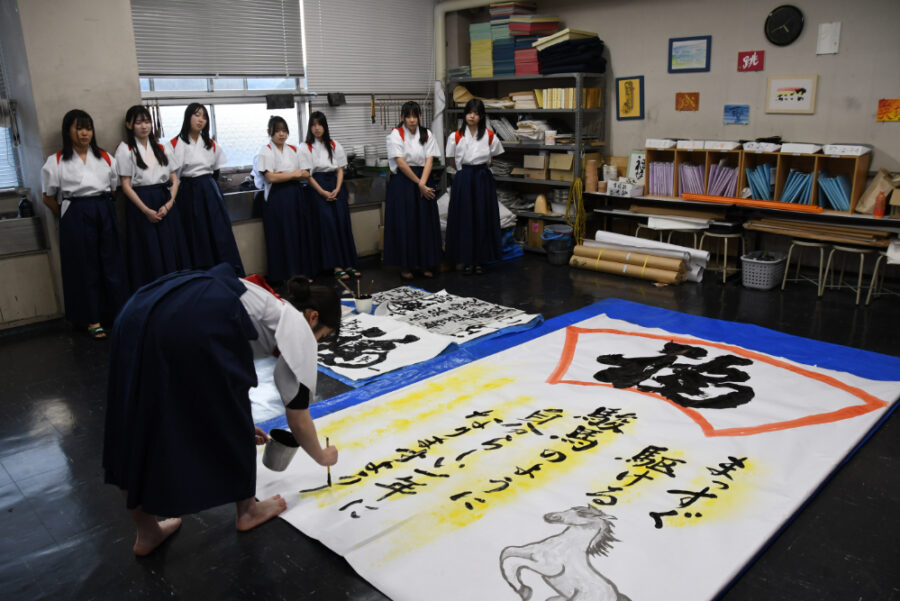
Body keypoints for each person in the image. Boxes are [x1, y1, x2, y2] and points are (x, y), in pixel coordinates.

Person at [103, 263, 341, 556]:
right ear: (313, 317)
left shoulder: (268, 302)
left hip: (141, 308)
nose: (317, 343)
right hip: (189, 323)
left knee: (133, 417)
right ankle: (248, 511)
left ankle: (147, 532)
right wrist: (322, 456)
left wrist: (238, 424)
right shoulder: (298, 328)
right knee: (234, 412)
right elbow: (298, 417)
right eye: (322, 336)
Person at [41, 109, 128, 339]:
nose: (84, 133)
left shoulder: (105, 157)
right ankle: (92, 319)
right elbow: (48, 197)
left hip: (103, 208)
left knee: (111, 262)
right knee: (84, 266)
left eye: (88, 128)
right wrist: (67, 215)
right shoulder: (56, 161)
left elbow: (114, 188)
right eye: (78, 128)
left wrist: (101, 208)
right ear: (68, 131)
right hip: (75, 211)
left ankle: (117, 314)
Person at [115, 105, 187, 291]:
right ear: (129, 125)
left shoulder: (163, 147)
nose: (144, 126)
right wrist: (146, 210)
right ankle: (153, 293)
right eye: (139, 122)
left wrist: (169, 204)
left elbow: (174, 179)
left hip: (164, 200)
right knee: (148, 250)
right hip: (141, 203)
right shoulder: (125, 149)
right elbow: (125, 185)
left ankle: (177, 289)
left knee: (171, 246)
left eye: (147, 122)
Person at [170, 103, 244, 275]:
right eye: (196, 115)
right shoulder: (174, 144)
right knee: (195, 234)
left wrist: (209, 186)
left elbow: (216, 171)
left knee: (219, 232)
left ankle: (226, 274)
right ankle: (200, 276)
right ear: (188, 117)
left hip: (210, 190)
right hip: (187, 191)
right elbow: (173, 176)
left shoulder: (211, 144)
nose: (200, 120)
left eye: (204, 117)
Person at [252, 116, 317, 284]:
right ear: (269, 132)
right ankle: (285, 276)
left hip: (295, 195)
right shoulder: (265, 150)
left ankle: (302, 273)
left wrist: (284, 174)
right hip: (277, 198)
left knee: (298, 233)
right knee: (281, 235)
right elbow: (270, 177)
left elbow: (305, 173)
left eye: (284, 130)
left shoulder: (294, 149)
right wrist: (293, 174)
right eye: (277, 131)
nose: (281, 134)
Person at [444, 98, 504, 276]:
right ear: (465, 114)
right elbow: (452, 161)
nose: (472, 116)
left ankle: (480, 260)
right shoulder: (455, 136)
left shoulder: (489, 135)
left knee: (482, 217)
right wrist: (464, 172)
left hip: (482, 177)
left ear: (482, 116)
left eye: (476, 113)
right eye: (469, 112)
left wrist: (481, 169)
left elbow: (492, 158)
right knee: (464, 218)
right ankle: (465, 259)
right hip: (464, 177)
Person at [383, 101, 442, 280]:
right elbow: (400, 162)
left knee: (424, 222)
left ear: (420, 117)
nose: (411, 120)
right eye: (408, 116)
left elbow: (429, 159)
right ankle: (405, 266)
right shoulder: (396, 134)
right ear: (402, 117)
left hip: (423, 177)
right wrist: (419, 183)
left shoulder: (427, 134)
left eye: (415, 116)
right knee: (405, 223)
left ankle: (425, 264)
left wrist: (423, 183)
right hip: (403, 181)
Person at [300, 111, 360, 281]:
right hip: (317, 186)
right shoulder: (305, 147)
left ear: (325, 126)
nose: (317, 128)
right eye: (313, 124)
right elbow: (307, 174)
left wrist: (338, 188)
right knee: (328, 225)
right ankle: (336, 266)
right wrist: (322, 192)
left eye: (320, 124)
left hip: (336, 184)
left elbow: (340, 169)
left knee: (342, 222)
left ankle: (348, 263)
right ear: (310, 127)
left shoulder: (334, 144)